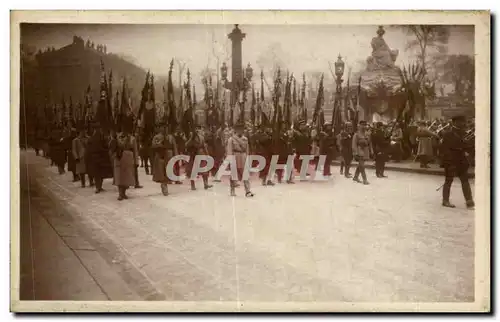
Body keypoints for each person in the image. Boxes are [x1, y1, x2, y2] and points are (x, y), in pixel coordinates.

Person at [440, 115, 474, 209]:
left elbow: (468, 146)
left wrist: (469, 148)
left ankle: (469, 202)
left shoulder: (464, 133)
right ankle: (445, 200)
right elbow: (444, 149)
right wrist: (449, 162)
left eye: (463, 121)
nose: (463, 123)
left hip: (461, 160)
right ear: (455, 122)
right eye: (461, 122)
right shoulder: (447, 134)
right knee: (448, 180)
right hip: (451, 160)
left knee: (465, 181)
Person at [110, 116, 140, 201]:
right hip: (119, 157)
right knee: (119, 177)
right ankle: (120, 194)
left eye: (126, 128)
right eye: (123, 127)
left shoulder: (132, 138)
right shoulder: (116, 137)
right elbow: (112, 147)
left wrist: (136, 161)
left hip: (129, 159)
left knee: (127, 178)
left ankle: (123, 192)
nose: (124, 129)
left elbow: (135, 150)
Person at [227, 122, 254, 197]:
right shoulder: (231, 139)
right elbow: (229, 151)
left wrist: (248, 158)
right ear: (235, 130)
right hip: (235, 156)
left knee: (246, 174)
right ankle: (232, 190)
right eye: (238, 129)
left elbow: (247, 150)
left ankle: (247, 191)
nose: (240, 131)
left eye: (242, 129)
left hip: (243, 157)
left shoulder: (245, 139)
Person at [151, 123, 178, 196]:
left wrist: (176, 157)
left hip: (169, 155)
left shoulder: (171, 137)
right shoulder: (156, 137)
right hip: (160, 155)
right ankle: (164, 185)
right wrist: (160, 144)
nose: (165, 129)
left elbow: (174, 147)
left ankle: (165, 184)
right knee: (161, 172)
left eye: (166, 127)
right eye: (163, 127)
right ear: (160, 128)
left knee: (167, 171)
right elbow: (153, 146)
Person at [86, 123, 113, 193]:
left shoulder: (101, 137)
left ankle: (99, 187)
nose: (98, 130)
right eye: (97, 129)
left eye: (99, 128)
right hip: (95, 157)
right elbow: (90, 148)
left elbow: (105, 145)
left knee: (101, 173)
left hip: (101, 157)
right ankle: (98, 187)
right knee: (97, 173)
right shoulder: (92, 138)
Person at [185, 125, 213, 191]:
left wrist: (207, 155)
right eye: (196, 129)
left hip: (201, 154)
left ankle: (206, 184)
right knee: (193, 171)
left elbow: (204, 146)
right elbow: (186, 145)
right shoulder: (190, 137)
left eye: (198, 129)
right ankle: (192, 185)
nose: (197, 130)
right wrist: (191, 139)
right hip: (193, 155)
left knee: (205, 170)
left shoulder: (201, 137)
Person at [352, 120, 373, 185]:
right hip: (359, 150)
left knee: (360, 165)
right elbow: (354, 144)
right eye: (362, 125)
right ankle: (365, 179)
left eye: (365, 125)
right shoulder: (356, 134)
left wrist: (371, 150)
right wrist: (355, 153)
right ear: (359, 126)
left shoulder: (367, 134)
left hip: (365, 151)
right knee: (362, 166)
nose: (364, 126)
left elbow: (370, 143)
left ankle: (355, 177)